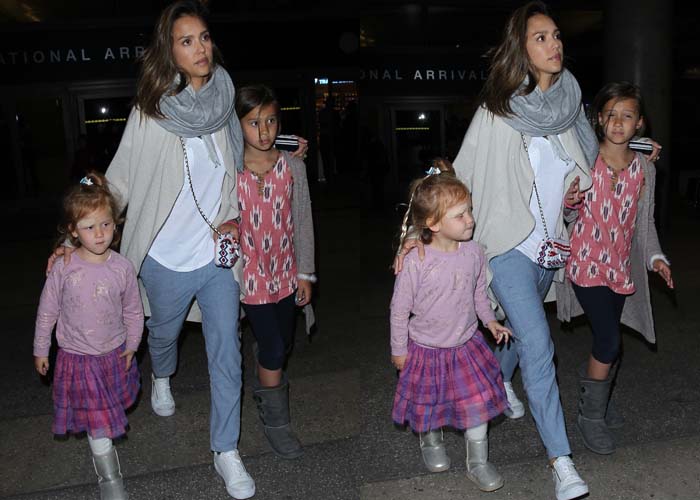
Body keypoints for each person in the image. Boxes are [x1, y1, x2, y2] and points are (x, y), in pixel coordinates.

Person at [394, 3, 658, 498]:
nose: (554, 44)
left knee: (509, 343)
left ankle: (444, 414)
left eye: (556, 35)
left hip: (549, 254)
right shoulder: (498, 113)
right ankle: (562, 463)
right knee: (538, 348)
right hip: (508, 249)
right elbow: (460, 175)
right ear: (522, 49)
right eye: (541, 38)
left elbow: (601, 159)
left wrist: (589, 188)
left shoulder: (570, 113)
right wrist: (414, 233)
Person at [47, 2, 307, 498]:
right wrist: (70, 240)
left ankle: (225, 451)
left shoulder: (225, 98)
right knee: (161, 335)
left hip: (217, 259)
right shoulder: (153, 114)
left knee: (227, 353)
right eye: (187, 41)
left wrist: (290, 146)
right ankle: (161, 373)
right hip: (165, 259)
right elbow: (118, 183)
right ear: (170, 51)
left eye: (204, 37)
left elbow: (253, 139)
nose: (200, 48)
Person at [556, 82, 673, 455]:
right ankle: (589, 416)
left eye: (627, 116)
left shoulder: (644, 170)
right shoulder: (584, 160)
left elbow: (645, 224)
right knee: (609, 341)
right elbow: (566, 213)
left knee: (610, 342)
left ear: (639, 123)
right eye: (611, 115)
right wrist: (569, 203)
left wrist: (656, 259)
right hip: (585, 264)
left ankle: (599, 401)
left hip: (620, 268)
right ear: (599, 119)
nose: (618, 122)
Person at [390, 160, 511, 492]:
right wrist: (399, 350)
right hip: (426, 349)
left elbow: (477, 293)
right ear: (433, 223)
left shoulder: (473, 253)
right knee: (430, 404)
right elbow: (399, 311)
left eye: (469, 210)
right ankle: (430, 442)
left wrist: (489, 321)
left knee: (476, 407)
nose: (470, 219)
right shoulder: (416, 260)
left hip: (466, 346)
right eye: (460, 215)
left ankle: (479, 462)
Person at [34, 172, 143, 500]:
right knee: (98, 422)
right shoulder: (63, 268)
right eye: (90, 226)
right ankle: (110, 479)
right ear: (72, 231)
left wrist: (133, 346)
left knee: (109, 414)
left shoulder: (122, 267)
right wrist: (41, 349)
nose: (100, 234)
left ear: (115, 223)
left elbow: (134, 312)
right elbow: (47, 312)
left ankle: (107, 465)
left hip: (113, 353)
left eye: (106, 224)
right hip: (78, 359)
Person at [234, 84, 316, 459]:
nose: (264, 131)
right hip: (248, 276)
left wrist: (306, 274)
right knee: (272, 348)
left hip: (286, 271)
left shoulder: (292, 166)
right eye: (253, 122)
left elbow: (303, 222)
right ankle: (277, 425)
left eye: (270, 121)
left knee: (283, 345)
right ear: (237, 126)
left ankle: (267, 363)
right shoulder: (228, 170)